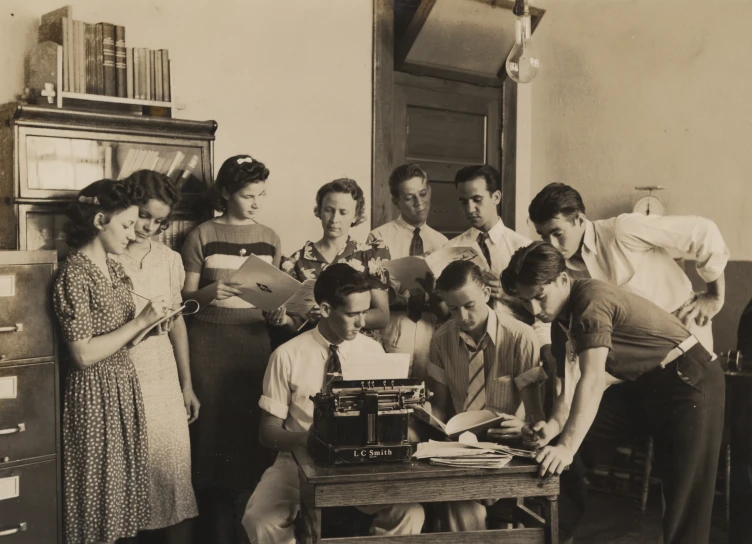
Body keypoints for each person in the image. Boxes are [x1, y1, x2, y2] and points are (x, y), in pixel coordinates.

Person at [501, 242, 725, 544]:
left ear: (563, 280)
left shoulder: (591, 301)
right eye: (526, 301)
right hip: (644, 384)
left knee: (685, 497)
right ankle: (552, 537)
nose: (535, 310)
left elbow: (592, 380)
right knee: (570, 449)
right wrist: (554, 429)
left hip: (690, 381)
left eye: (540, 297)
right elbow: (568, 390)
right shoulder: (558, 322)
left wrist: (566, 445)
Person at [242, 263, 425, 542]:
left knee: (410, 513)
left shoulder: (373, 351)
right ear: (326, 310)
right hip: (297, 463)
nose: (362, 322)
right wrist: (311, 440)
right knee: (260, 519)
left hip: (361, 465)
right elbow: (267, 432)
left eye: (365, 312)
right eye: (353, 314)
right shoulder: (287, 355)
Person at [53, 179, 169, 544]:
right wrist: (138, 322)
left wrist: (149, 326)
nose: (134, 234)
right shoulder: (74, 272)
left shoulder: (115, 268)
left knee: (118, 496)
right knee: (95, 496)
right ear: (100, 220)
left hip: (121, 389)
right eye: (126, 225)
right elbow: (83, 353)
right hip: (92, 396)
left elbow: (119, 340)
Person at [181, 155, 282, 544]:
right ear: (225, 192)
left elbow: (271, 297)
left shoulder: (270, 237)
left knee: (249, 438)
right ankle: (216, 534)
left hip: (255, 344)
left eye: (260, 194)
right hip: (208, 345)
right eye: (247, 195)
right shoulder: (201, 235)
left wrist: (277, 315)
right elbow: (185, 303)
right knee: (210, 440)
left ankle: (246, 532)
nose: (256, 202)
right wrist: (210, 292)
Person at [528, 182, 729, 352]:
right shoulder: (560, 269)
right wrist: (545, 348)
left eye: (557, 234)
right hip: (634, 350)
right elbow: (548, 310)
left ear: (580, 220)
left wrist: (715, 296)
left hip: (683, 328)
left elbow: (704, 231)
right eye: (543, 236)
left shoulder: (622, 230)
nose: (551, 245)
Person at [424, 260, 546, 532]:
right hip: (461, 449)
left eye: (469, 306)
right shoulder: (441, 340)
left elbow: (536, 413)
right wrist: (427, 415)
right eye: (453, 309)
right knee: (461, 507)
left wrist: (523, 426)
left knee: (494, 517)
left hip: (509, 447)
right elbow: (441, 407)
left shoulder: (520, 337)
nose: (462, 317)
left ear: (487, 295)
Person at [115, 170, 199, 542]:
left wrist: (187, 385)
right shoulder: (107, 254)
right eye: (144, 216)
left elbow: (178, 323)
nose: (149, 227)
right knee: (126, 477)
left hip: (162, 376)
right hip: (121, 371)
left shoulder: (169, 259)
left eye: (159, 221)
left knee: (173, 475)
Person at [272, 178, 391, 346]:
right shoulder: (296, 261)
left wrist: (333, 315)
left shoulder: (369, 256)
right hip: (314, 347)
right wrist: (284, 320)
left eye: (343, 212)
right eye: (329, 210)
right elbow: (296, 324)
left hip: (360, 347)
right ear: (319, 211)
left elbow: (382, 316)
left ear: (356, 215)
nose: (334, 219)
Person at [447, 164, 551, 349]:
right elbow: (447, 312)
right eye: (464, 202)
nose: (470, 209)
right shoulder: (451, 248)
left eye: (477, 199)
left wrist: (507, 295)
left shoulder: (524, 247)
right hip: (466, 344)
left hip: (515, 342)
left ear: (496, 197)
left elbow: (545, 310)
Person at [367, 164, 448, 380]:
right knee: (392, 389)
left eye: (423, 194)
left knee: (428, 391)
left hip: (431, 324)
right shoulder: (379, 238)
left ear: (429, 191)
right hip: (396, 322)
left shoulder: (442, 243)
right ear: (396, 202)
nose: (419, 203)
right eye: (409, 197)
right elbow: (373, 292)